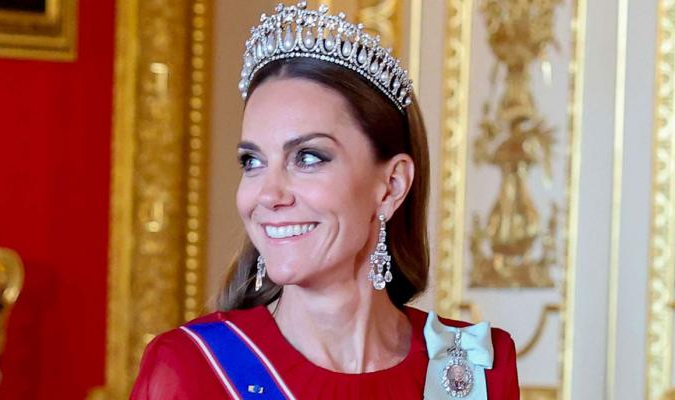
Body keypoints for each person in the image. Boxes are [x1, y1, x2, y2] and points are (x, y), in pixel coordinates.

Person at [131, 2, 519, 399]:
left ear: (391, 185)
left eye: (308, 157)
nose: (268, 194)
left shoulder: (470, 369)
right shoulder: (191, 368)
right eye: (253, 161)